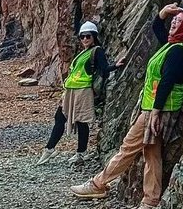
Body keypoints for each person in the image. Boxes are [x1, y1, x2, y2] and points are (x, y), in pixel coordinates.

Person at [71, 3, 183, 209]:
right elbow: (157, 30)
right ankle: (150, 200)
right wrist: (162, 14)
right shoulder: (173, 46)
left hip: (158, 110)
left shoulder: (178, 51)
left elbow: (167, 81)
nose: (173, 24)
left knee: (128, 148)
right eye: (174, 20)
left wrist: (155, 111)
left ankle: (98, 184)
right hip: (158, 109)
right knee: (151, 152)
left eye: (179, 22)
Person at [37, 21, 124, 166]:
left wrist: (116, 66)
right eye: (82, 37)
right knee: (60, 117)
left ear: (94, 36)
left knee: (81, 121)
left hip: (83, 90)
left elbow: (104, 68)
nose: (84, 39)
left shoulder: (97, 51)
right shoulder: (84, 52)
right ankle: (50, 148)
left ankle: (79, 153)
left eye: (88, 36)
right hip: (72, 90)